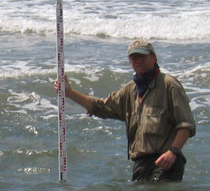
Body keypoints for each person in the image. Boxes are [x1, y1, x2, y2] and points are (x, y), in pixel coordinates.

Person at [56, 39, 196, 182]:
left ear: (153, 58)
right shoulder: (130, 90)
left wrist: (173, 152)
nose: (138, 60)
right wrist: (70, 93)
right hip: (140, 164)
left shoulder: (169, 85)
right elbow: (100, 107)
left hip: (166, 162)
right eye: (134, 57)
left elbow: (186, 125)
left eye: (142, 56)